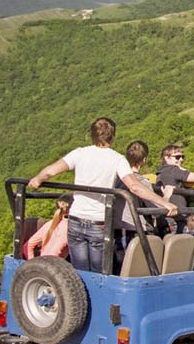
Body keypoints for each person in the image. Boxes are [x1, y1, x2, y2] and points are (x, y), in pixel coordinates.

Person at [28, 117, 177, 273]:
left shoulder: (79, 153)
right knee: (100, 273)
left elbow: (50, 171)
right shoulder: (117, 159)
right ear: (112, 136)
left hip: (76, 218)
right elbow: (134, 186)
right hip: (98, 221)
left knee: (80, 272)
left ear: (92, 135)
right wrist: (165, 202)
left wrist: (37, 179)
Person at [114, 140, 154, 272]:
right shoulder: (143, 183)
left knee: (118, 266)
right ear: (144, 160)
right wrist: (166, 196)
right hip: (134, 229)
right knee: (131, 268)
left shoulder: (115, 180)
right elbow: (154, 209)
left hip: (115, 228)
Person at [155, 144, 194, 233]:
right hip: (176, 219)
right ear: (167, 158)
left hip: (164, 220)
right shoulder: (173, 170)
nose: (181, 159)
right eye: (177, 157)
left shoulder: (160, 173)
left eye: (182, 157)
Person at [23, 193, 73, 260]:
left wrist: (31, 262)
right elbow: (55, 252)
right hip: (55, 266)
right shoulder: (71, 228)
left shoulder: (49, 224)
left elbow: (29, 244)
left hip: (41, 264)